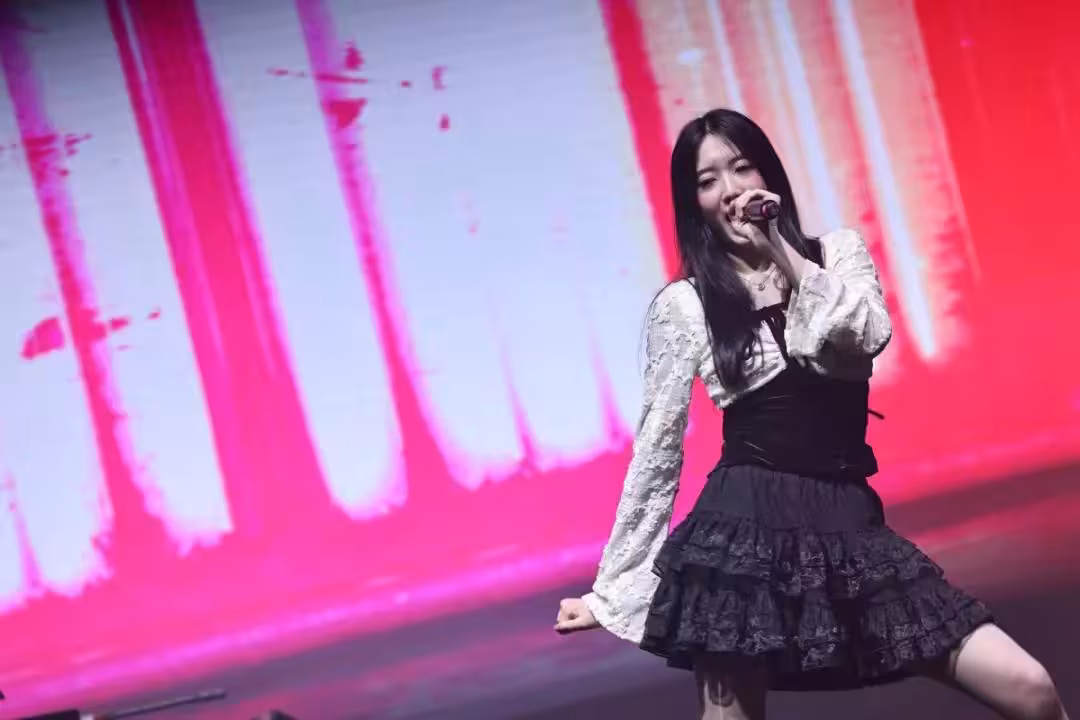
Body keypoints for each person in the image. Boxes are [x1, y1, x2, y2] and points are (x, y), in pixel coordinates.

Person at [553, 109, 1069, 720]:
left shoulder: (837, 255)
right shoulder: (685, 306)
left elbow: (864, 333)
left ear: (768, 177)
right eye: (708, 180)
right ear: (694, 203)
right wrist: (612, 590)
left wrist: (779, 250)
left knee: (1030, 688)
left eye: (742, 168)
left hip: (850, 523)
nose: (731, 190)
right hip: (742, 531)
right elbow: (656, 453)